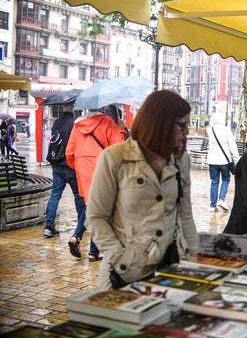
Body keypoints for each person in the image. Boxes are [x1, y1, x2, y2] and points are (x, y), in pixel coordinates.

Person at [85, 90, 199, 290]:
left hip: (170, 270)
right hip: (123, 275)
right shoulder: (114, 158)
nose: (186, 132)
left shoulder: (181, 160)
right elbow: (96, 217)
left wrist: (195, 260)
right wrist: (121, 258)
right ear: (160, 124)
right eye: (182, 125)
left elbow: (186, 215)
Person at [66, 107, 127, 261]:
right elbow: (118, 147)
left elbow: (69, 152)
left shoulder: (78, 124)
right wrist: (120, 129)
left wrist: (77, 166)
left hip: (82, 165)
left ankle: (87, 245)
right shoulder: (106, 121)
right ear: (102, 107)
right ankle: (90, 248)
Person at [43, 101, 87, 241]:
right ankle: (81, 226)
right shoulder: (75, 123)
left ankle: (49, 227)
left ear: (63, 107)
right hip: (71, 165)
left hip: (57, 165)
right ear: (74, 108)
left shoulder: (56, 123)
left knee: (55, 195)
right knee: (78, 195)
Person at [206, 112, 240, 212]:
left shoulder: (209, 130)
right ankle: (221, 199)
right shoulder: (226, 130)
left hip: (212, 160)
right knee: (226, 179)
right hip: (225, 161)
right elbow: (232, 146)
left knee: (214, 182)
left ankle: (212, 206)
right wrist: (237, 159)